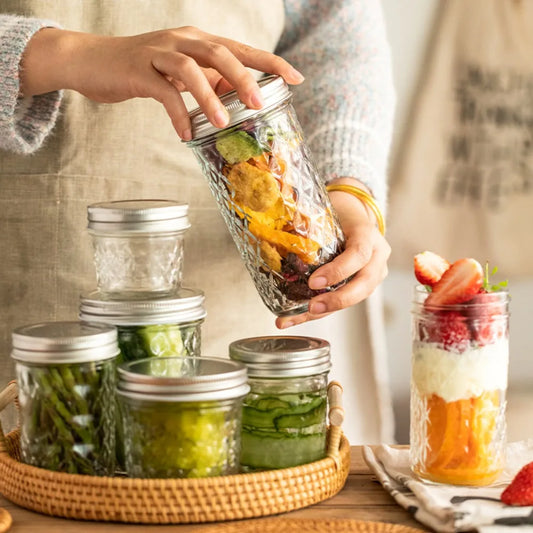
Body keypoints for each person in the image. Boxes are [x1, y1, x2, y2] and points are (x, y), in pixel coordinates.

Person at [0, 0, 395, 444]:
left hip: (238, 335)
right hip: (21, 329)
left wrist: (345, 189)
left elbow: (337, 41)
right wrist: (60, 55)